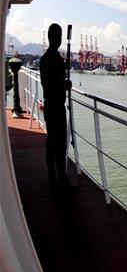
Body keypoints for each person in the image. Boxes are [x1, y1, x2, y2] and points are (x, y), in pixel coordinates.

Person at [40, 24, 75, 191]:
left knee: (52, 144)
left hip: (51, 106)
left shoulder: (48, 57)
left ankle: (54, 179)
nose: (60, 39)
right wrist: (65, 86)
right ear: (54, 37)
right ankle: (60, 181)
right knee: (59, 146)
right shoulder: (51, 58)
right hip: (55, 107)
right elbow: (51, 86)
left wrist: (64, 67)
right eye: (59, 35)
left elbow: (53, 78)